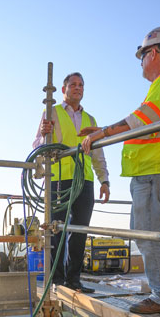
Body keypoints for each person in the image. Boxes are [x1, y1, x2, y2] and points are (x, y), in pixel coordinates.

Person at [81, 27, 160, 314]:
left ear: (152, 53)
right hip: (158, 171)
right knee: (151, 233)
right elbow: (142, 119)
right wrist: (105, 131)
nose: (141, 64)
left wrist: (104, 133)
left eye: (141, 57)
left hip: (156, 171)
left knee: (147, 235)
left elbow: (142, 120)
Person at [33, 72, 110, 293]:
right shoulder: (52, 112)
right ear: (64, 88)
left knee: (79, 231)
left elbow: (98, 153)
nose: (78, 88)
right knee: (56, 231)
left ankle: (73, 280)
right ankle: (56, 280)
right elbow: (37, 144)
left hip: (84, 181)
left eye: (81, 85)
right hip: (59, 180)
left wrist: (104, 180)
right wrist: (43, 134)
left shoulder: (91, 120)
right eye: (73, 85)